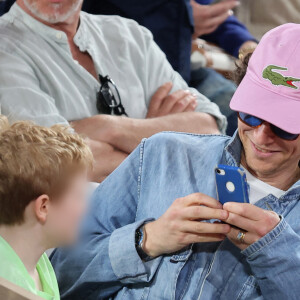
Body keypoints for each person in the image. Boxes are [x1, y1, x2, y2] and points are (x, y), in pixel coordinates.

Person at [51, 24, 300, 299]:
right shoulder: (163, 154)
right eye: (251, 114)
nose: (262, 137)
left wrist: (277, 254)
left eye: (284, 126)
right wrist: (146, 240)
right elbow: (57, 275)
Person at [0, 0, 226, 183]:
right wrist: (161, 140)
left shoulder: (130, 34)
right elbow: (56, 166)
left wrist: (109, 128)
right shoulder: (4, 49)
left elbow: (209, 129)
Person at [82, 0, 258, 135]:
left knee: (248, 110)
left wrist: (247, 47)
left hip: (183, 71)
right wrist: (183, 19)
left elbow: (208, 12)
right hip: (126, 72)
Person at [0, 115, 93, 299]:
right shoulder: (11, 289)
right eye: (78, 196)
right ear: (43, 207)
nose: (85, 209)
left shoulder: (36, 260)